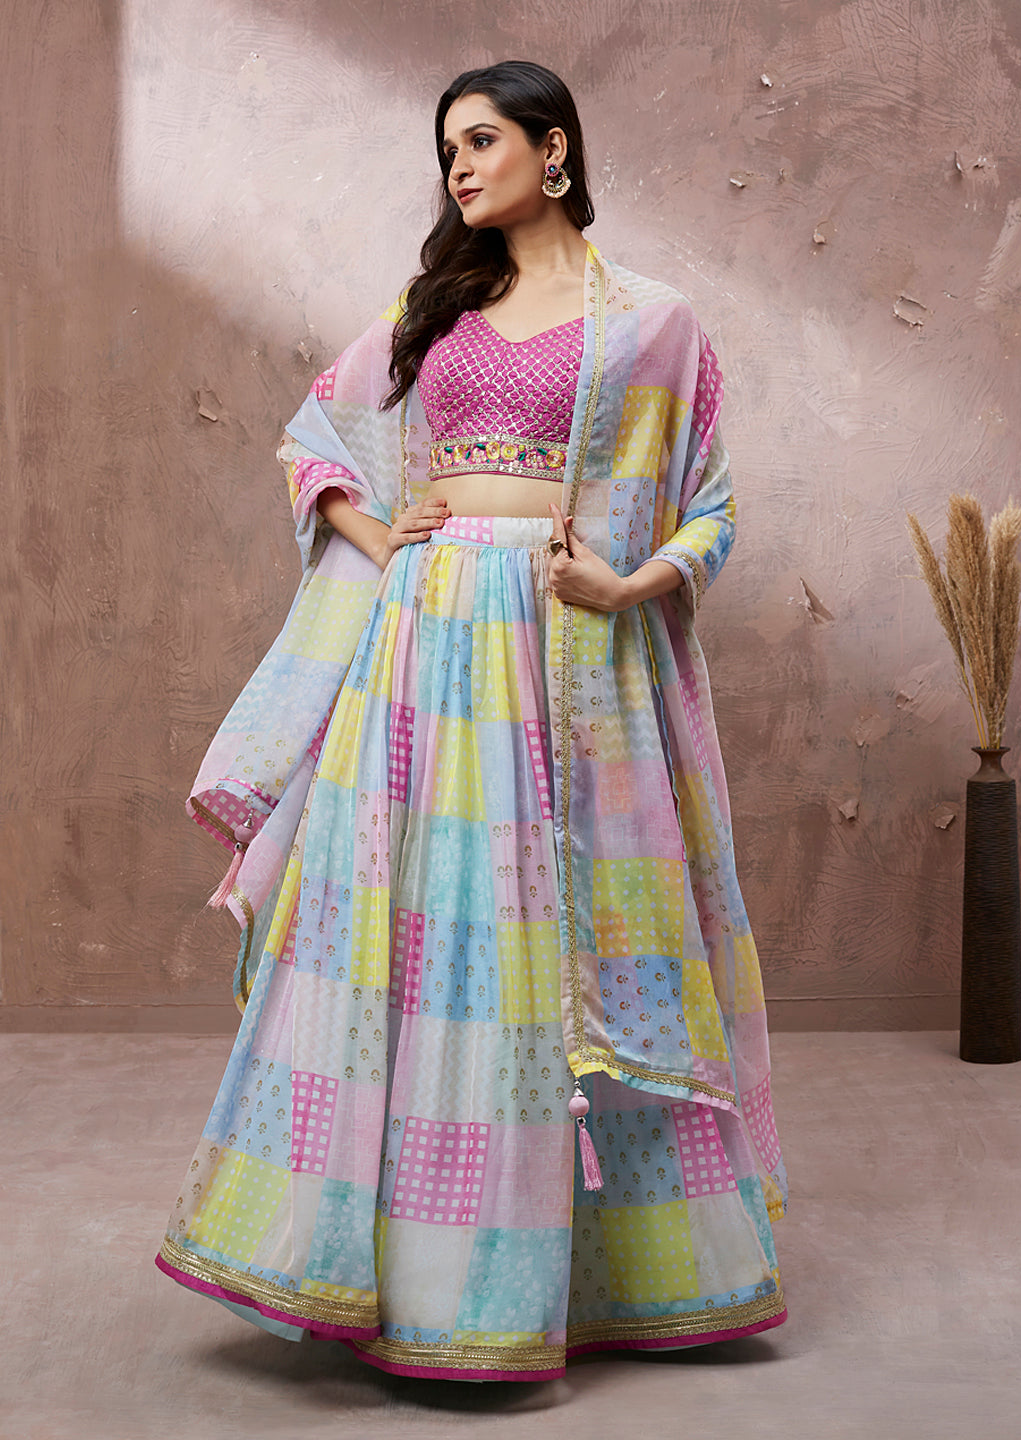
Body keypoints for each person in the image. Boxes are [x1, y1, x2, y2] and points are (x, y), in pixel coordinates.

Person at [157, 59, 788, 1383]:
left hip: (563, 655)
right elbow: (316, 440)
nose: (458, 165)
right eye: (448, 146)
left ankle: (583, 1281)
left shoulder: (652, 325)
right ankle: (404, 1277)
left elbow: (714, 506)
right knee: (428, 934)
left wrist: (624, 585)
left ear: (554, 150)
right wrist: (382, 531)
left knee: (549, 938)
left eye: (483, 139)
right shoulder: (431, 310)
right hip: (425, 647)